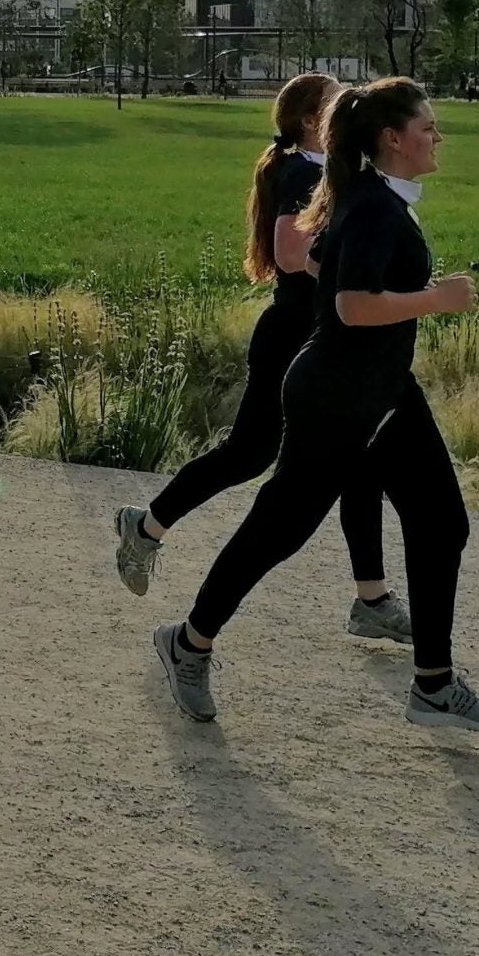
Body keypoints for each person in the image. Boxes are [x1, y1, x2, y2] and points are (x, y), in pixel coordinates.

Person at [151, 76, 479, 733]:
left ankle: (432, 684)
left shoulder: (371, 196)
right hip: (340, 395)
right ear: (392, 139)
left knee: (440, 524)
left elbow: (327, 260)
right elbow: (351, 304)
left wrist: (398, 284)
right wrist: (436, 299)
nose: (438, 137)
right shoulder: (375, 205)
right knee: (280, 528)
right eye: (429, 127)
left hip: (382, 393)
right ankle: (188, 643)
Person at [112, 73, 410, 645]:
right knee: (249, 454)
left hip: (321, 338)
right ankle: (144, 527)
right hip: (294, 338)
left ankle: (370, 597)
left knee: (357, 463)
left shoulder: (329, 172)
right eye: (333, 103)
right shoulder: (302, 172)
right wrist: (349, 274)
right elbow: (288, 253)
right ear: (307, 121)